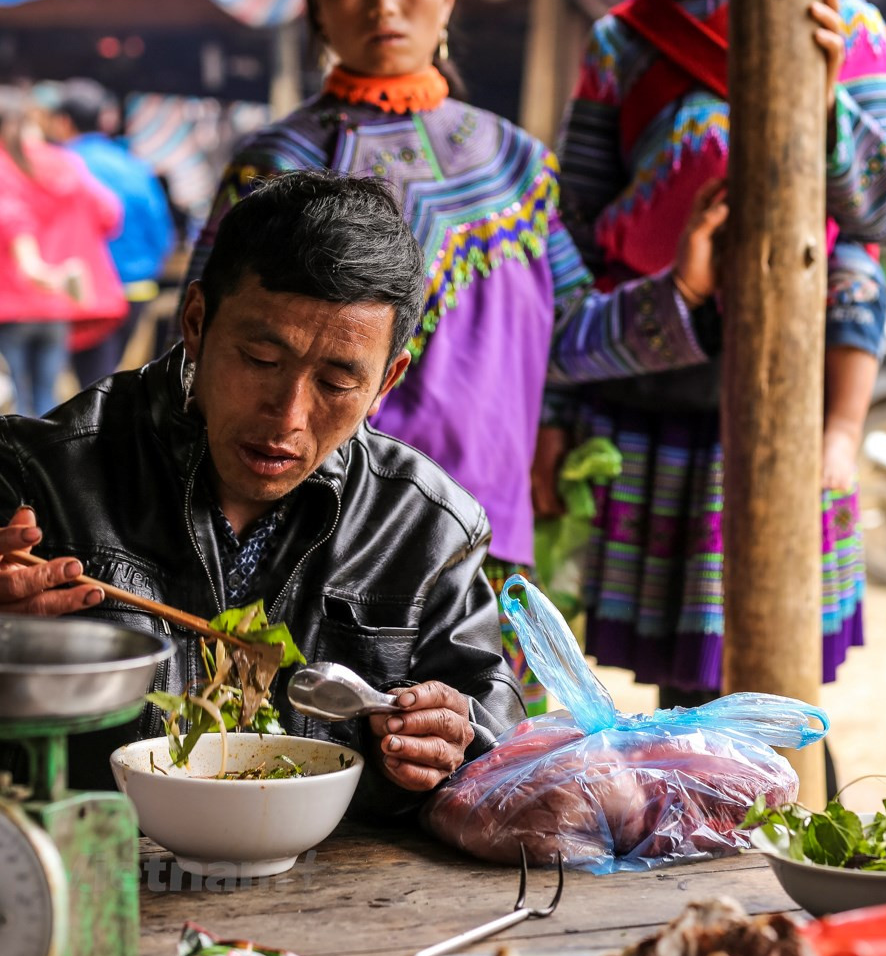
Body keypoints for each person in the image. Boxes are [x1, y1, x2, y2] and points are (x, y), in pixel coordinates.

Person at [182, 0, 729, 714]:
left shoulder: (517, 164)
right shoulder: (278, 162)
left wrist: (683, 287)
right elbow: (207, 339)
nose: (383, 2)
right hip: (321, 524)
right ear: (318, 10)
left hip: (486, 535)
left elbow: (571, 336)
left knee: (471, 769)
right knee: (317, 754)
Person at [544, 0, 886, 713]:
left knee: (780, 687)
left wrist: (825, 102)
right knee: (680, 697)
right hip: (658, 391)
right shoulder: (620, 43)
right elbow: (571, 231)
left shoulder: (845, 23)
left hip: (794, 399)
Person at [0, 171, 522, 809]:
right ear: (196, 323)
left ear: (386, 382)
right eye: (261, 361)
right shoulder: (36, 477)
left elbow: (494, 730)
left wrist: (454, 736)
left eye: (335, 382)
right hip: (98, 870)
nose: (288, 417)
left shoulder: (426, 527)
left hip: (342, 894)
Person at [0, 86, 126, 417]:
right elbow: (109, 214)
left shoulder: (4, 167)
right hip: (57, 305)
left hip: (10, 307)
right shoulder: (64, 162)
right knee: (45, 404)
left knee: (14, 409)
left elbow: (12, 222)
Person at [48, 79, 175, 387]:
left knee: (86, 387)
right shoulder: (135, 166)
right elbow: (163, 234)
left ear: (63, 122)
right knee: (108, 380)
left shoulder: (60, 165)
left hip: (85, 294)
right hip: (137, 289)